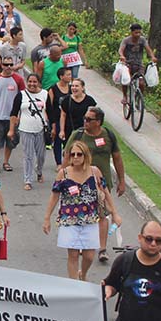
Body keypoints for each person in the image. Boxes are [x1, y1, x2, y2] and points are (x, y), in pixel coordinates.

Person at [44, 141, 121, 280]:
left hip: (90, 219)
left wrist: (115, 213)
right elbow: (54, 196)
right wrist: (47, 218)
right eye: (72, 154)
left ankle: (83, 274)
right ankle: (74, 285)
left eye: (79, 154)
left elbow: (106, 192)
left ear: (85, 155)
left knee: (89, 256)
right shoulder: (63, 174)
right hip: (69, 220)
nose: (75, 157)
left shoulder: (94, 172)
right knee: (73, 255)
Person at [65, 106, 127, 263]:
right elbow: (67, 157)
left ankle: (102, 249)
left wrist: (122, 180)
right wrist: (64, 179)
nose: (85, 121)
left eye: (89, 119)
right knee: (81, 214)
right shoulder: (78, 135)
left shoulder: (108, 135)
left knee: (102, 215)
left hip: (102, 184)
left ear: (98, 122)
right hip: (80, 183)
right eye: (84, 118)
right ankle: (81, 244)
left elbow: (117, 158)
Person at [0, 56, 26, 171]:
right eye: (6, 64)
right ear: (2, 65)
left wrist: (20, 116)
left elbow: (23, 98)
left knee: (10, 141)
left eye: (10, 64)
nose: (8, 67)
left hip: (13, 117)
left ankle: (6, 162)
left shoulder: (18, 79)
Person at [16, 74, 48, 190]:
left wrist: (53, 126)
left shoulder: (45, 94)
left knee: (41, 155)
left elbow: (50, 111)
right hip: (25, 129)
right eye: (30, 81)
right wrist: (11, 129)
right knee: (28, 155)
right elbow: (14, 112)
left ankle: (39, 171)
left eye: (34, 82)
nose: (32, 84)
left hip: (40, 129)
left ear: (39, 83)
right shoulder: (21, 95)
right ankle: (28, 180)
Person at [118, 24, 157, 105]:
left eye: (139, 33)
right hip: (128, 64)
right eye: (136, 33)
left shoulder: (142, 40)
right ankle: (125, 96)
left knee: (141, 83)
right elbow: (121, 50)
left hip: (139, 64)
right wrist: (122, 56)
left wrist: (152, 57)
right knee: (125, 80)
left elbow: (148, 49)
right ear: (132, 32)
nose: (138, 35)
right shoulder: (126, 40)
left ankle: (138, 97)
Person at [47, 67, 73, 166]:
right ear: (61, 77)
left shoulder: (71, 88)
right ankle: (59, 163)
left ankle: (68, 161)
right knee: (58, 141)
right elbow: (49, 106)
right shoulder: (53, 89)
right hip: (57, 118)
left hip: (69, 119)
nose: (70, 77)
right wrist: (52, 122)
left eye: (70, 74)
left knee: (69, 141)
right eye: (68, 75)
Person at [59, 78, 97, 142]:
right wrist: (62, 131)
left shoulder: (90, 101)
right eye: (72, 86)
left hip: (86, 132)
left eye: (76, 86)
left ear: (82, 88)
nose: (74, 88)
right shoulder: (66, 100)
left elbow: (94, 117)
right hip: (70, 132)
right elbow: (63, 115)